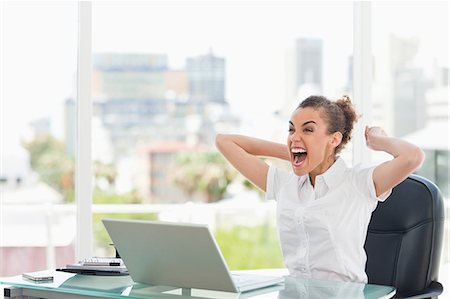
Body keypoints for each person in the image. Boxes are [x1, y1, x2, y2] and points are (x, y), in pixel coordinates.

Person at [215, 95, 425, 283]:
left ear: (334, 139)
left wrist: (377, 140)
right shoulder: (284, 185)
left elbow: (413, 157)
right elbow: (224, 141)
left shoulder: (358, 183)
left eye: (307, 129)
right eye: (291, 129)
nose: (294, 136)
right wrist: (295, 151)